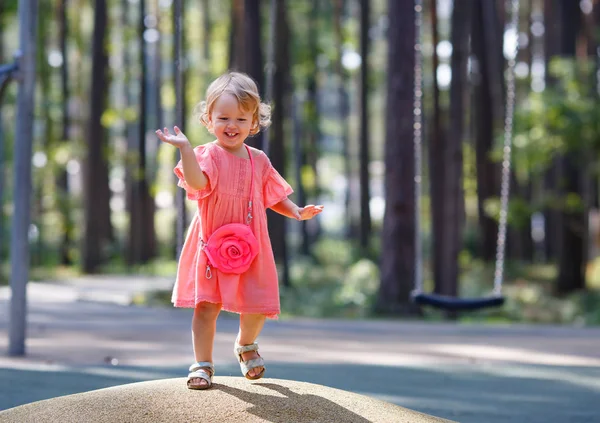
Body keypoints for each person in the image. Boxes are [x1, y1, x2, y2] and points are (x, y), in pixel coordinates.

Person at [156, 71, 324, 390]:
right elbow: (196, 183)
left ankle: (246, 344)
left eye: (241, 119)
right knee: (207, 306)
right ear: (209, 119)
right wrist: (185, 150)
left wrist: (297, 211)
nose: (231, 125)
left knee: (257, 303)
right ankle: (202, 364)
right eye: (223, 118)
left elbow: (274, 195)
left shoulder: (258, 160)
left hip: (250, 243)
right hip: (213, 242)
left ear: (254, 123)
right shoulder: (208, 155)